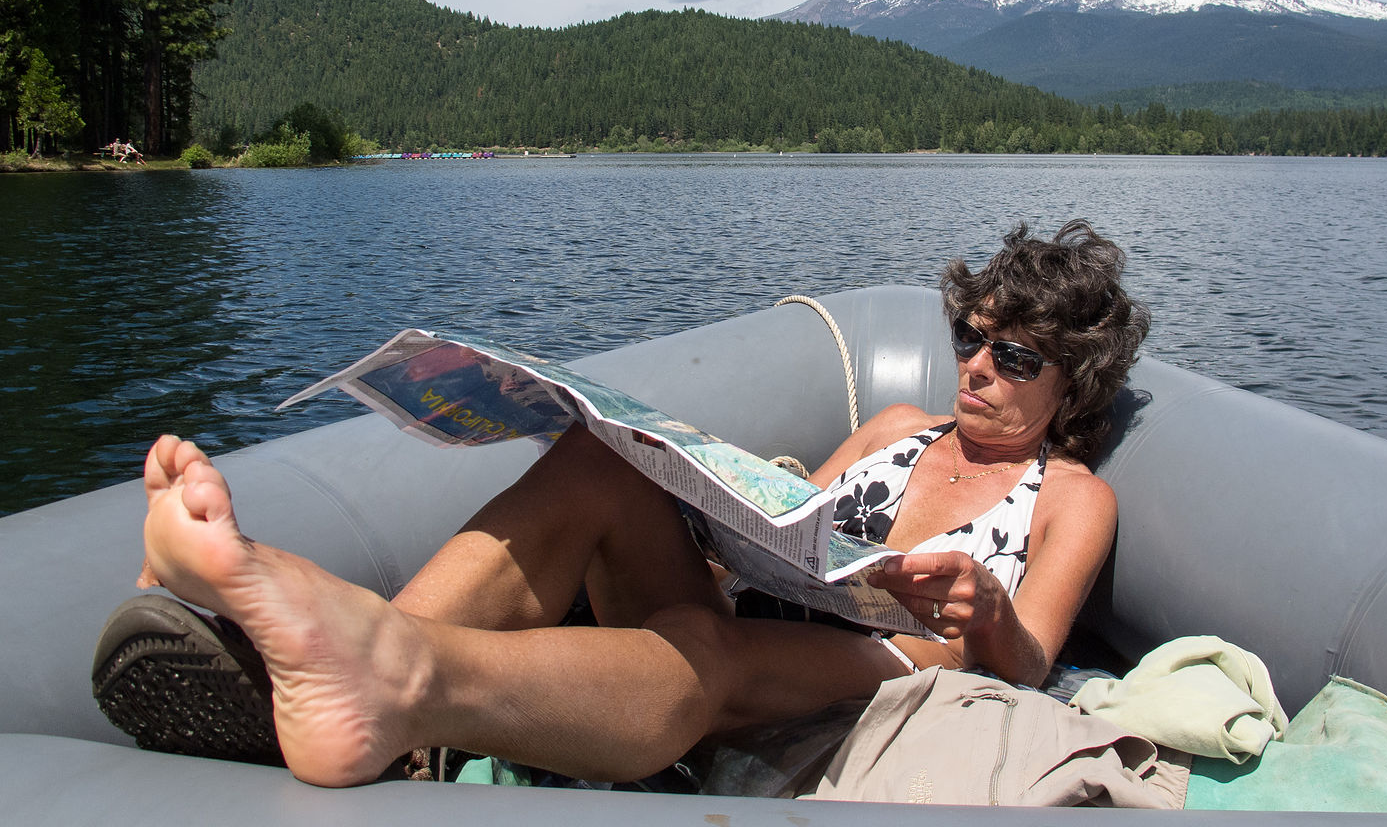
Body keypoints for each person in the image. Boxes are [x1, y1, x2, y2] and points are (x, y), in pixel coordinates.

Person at [102, 219, 1149, 789]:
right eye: (970, 336)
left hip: (898, 663)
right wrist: (710, 500)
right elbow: (791, 530)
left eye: (1014, 356)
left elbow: (1032, 664)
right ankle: (370, 686)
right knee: (600, 465)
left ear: (1074, 381)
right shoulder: (894, 429)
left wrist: (985, 606)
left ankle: (381, 670)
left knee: (711, 649)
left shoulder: (1069, 497)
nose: (977, 369)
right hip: (778, 609)